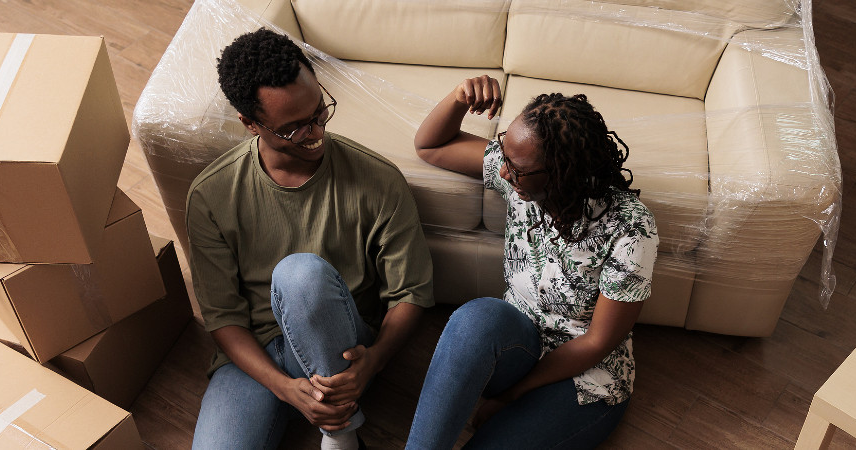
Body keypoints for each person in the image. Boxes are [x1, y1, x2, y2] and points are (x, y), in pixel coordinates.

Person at [187, 28, 434, 450]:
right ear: (250, 124)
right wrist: (284, 387)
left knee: (300, 274)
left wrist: (372, 361)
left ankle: (342, 435)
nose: (316, 131)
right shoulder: (211, 195)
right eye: (294, 128)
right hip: (259, 355)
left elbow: (411, 291)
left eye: (320, 112)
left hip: (341, 346)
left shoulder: (377, 179)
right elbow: (222, 317)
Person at [405, 75, 659, 449]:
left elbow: (598, 342)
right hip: (518, 343)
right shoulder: (520, 178)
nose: (504, 172)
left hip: (583, 378)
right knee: (475, 318)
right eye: (505, 158)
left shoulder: (632, 228)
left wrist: (512, 397)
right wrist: (459, 98)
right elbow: (430, 146)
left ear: (562, 174)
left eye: (517, 168)